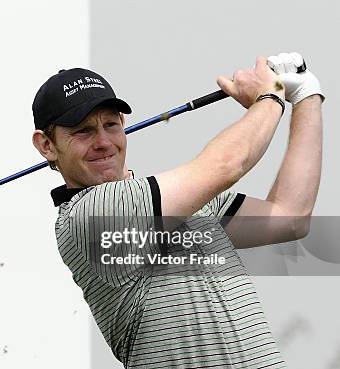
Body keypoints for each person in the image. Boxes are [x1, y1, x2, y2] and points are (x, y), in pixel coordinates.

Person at [31, 53, 323, 368]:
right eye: (83, 131)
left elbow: (290, 217)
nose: (103, 141)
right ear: (47, 146)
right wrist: (268, 96)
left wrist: (306, 96)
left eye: (111, 124)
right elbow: (226, 166)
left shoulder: (185, 200)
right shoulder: (87, 215)